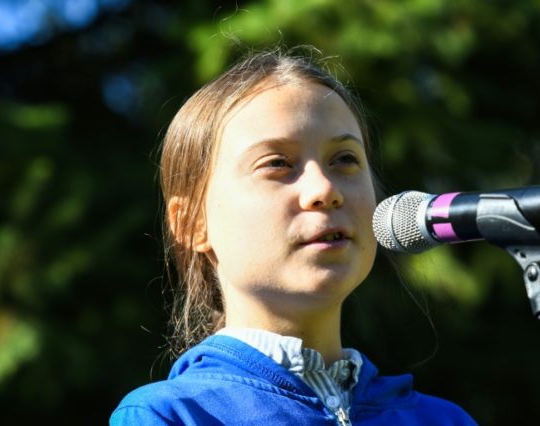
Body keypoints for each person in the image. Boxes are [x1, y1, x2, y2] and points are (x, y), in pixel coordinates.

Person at [110, 48, 477, 425]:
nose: (324, 188)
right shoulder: (171, 415)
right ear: (192, 224)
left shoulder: (444, 420)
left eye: (344, 159)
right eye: (277, 163)